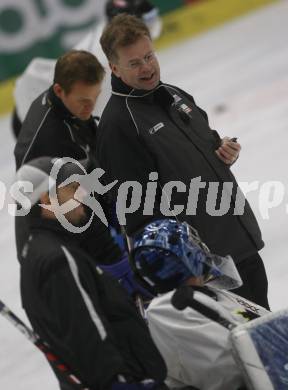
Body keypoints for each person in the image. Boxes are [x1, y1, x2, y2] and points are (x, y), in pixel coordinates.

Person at [96, 14, 269, 309]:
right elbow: (140, 216)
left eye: (149, 56)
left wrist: (224, 150)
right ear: (114, 68)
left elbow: (208, 144)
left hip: (240, 244)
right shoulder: (119, 125)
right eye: (134, 63)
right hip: (207, 269)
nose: (147, 67)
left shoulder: (174, 95)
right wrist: (189, 270)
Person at [15, 156, 167, 390]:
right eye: (72, 189)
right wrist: (119, 381)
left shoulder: (40, 250)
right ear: (46, 200)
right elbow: (88, 333)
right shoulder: (58, 258)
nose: (81, 196)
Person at [13, 50, 151, 301]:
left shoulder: (72, 108)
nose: (90, 107)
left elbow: (95, 163)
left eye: (95, 98)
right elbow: (74, 215)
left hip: (80, 222)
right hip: (64, 248)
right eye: (83, 101)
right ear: (58, 91)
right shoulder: (50, 140)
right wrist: (115, 261)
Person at [130, 219, 270, 390]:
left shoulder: (204, 293)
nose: (201, 248)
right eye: (193, 244)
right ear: (186, 255)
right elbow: (231, 372)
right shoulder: (170, 308)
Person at [12, 0, 162, 137]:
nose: (154, 23)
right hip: (34, 112)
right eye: (148, 19)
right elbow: (102, 117)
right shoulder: (103, 63)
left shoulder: (112, 40)